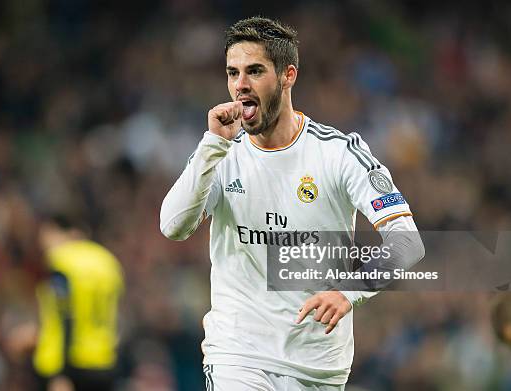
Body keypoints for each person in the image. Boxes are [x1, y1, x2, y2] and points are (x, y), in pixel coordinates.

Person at [160, 16, 425, 390]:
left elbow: (407, 242)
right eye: (232, 73)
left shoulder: (340, 154)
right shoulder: (220, 153)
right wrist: (211, 146)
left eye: (254, 71)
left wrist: (349, 290)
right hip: (239, 354)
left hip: (318, 364)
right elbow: (173, 226)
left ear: (288, 76)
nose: (240, 85)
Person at [7, 214, 124, 391]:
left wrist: (62, 375)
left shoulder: (63, 262)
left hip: (72, 368)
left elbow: (66, 318)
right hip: (104, 362)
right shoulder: (108, 262)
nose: (43, 244)